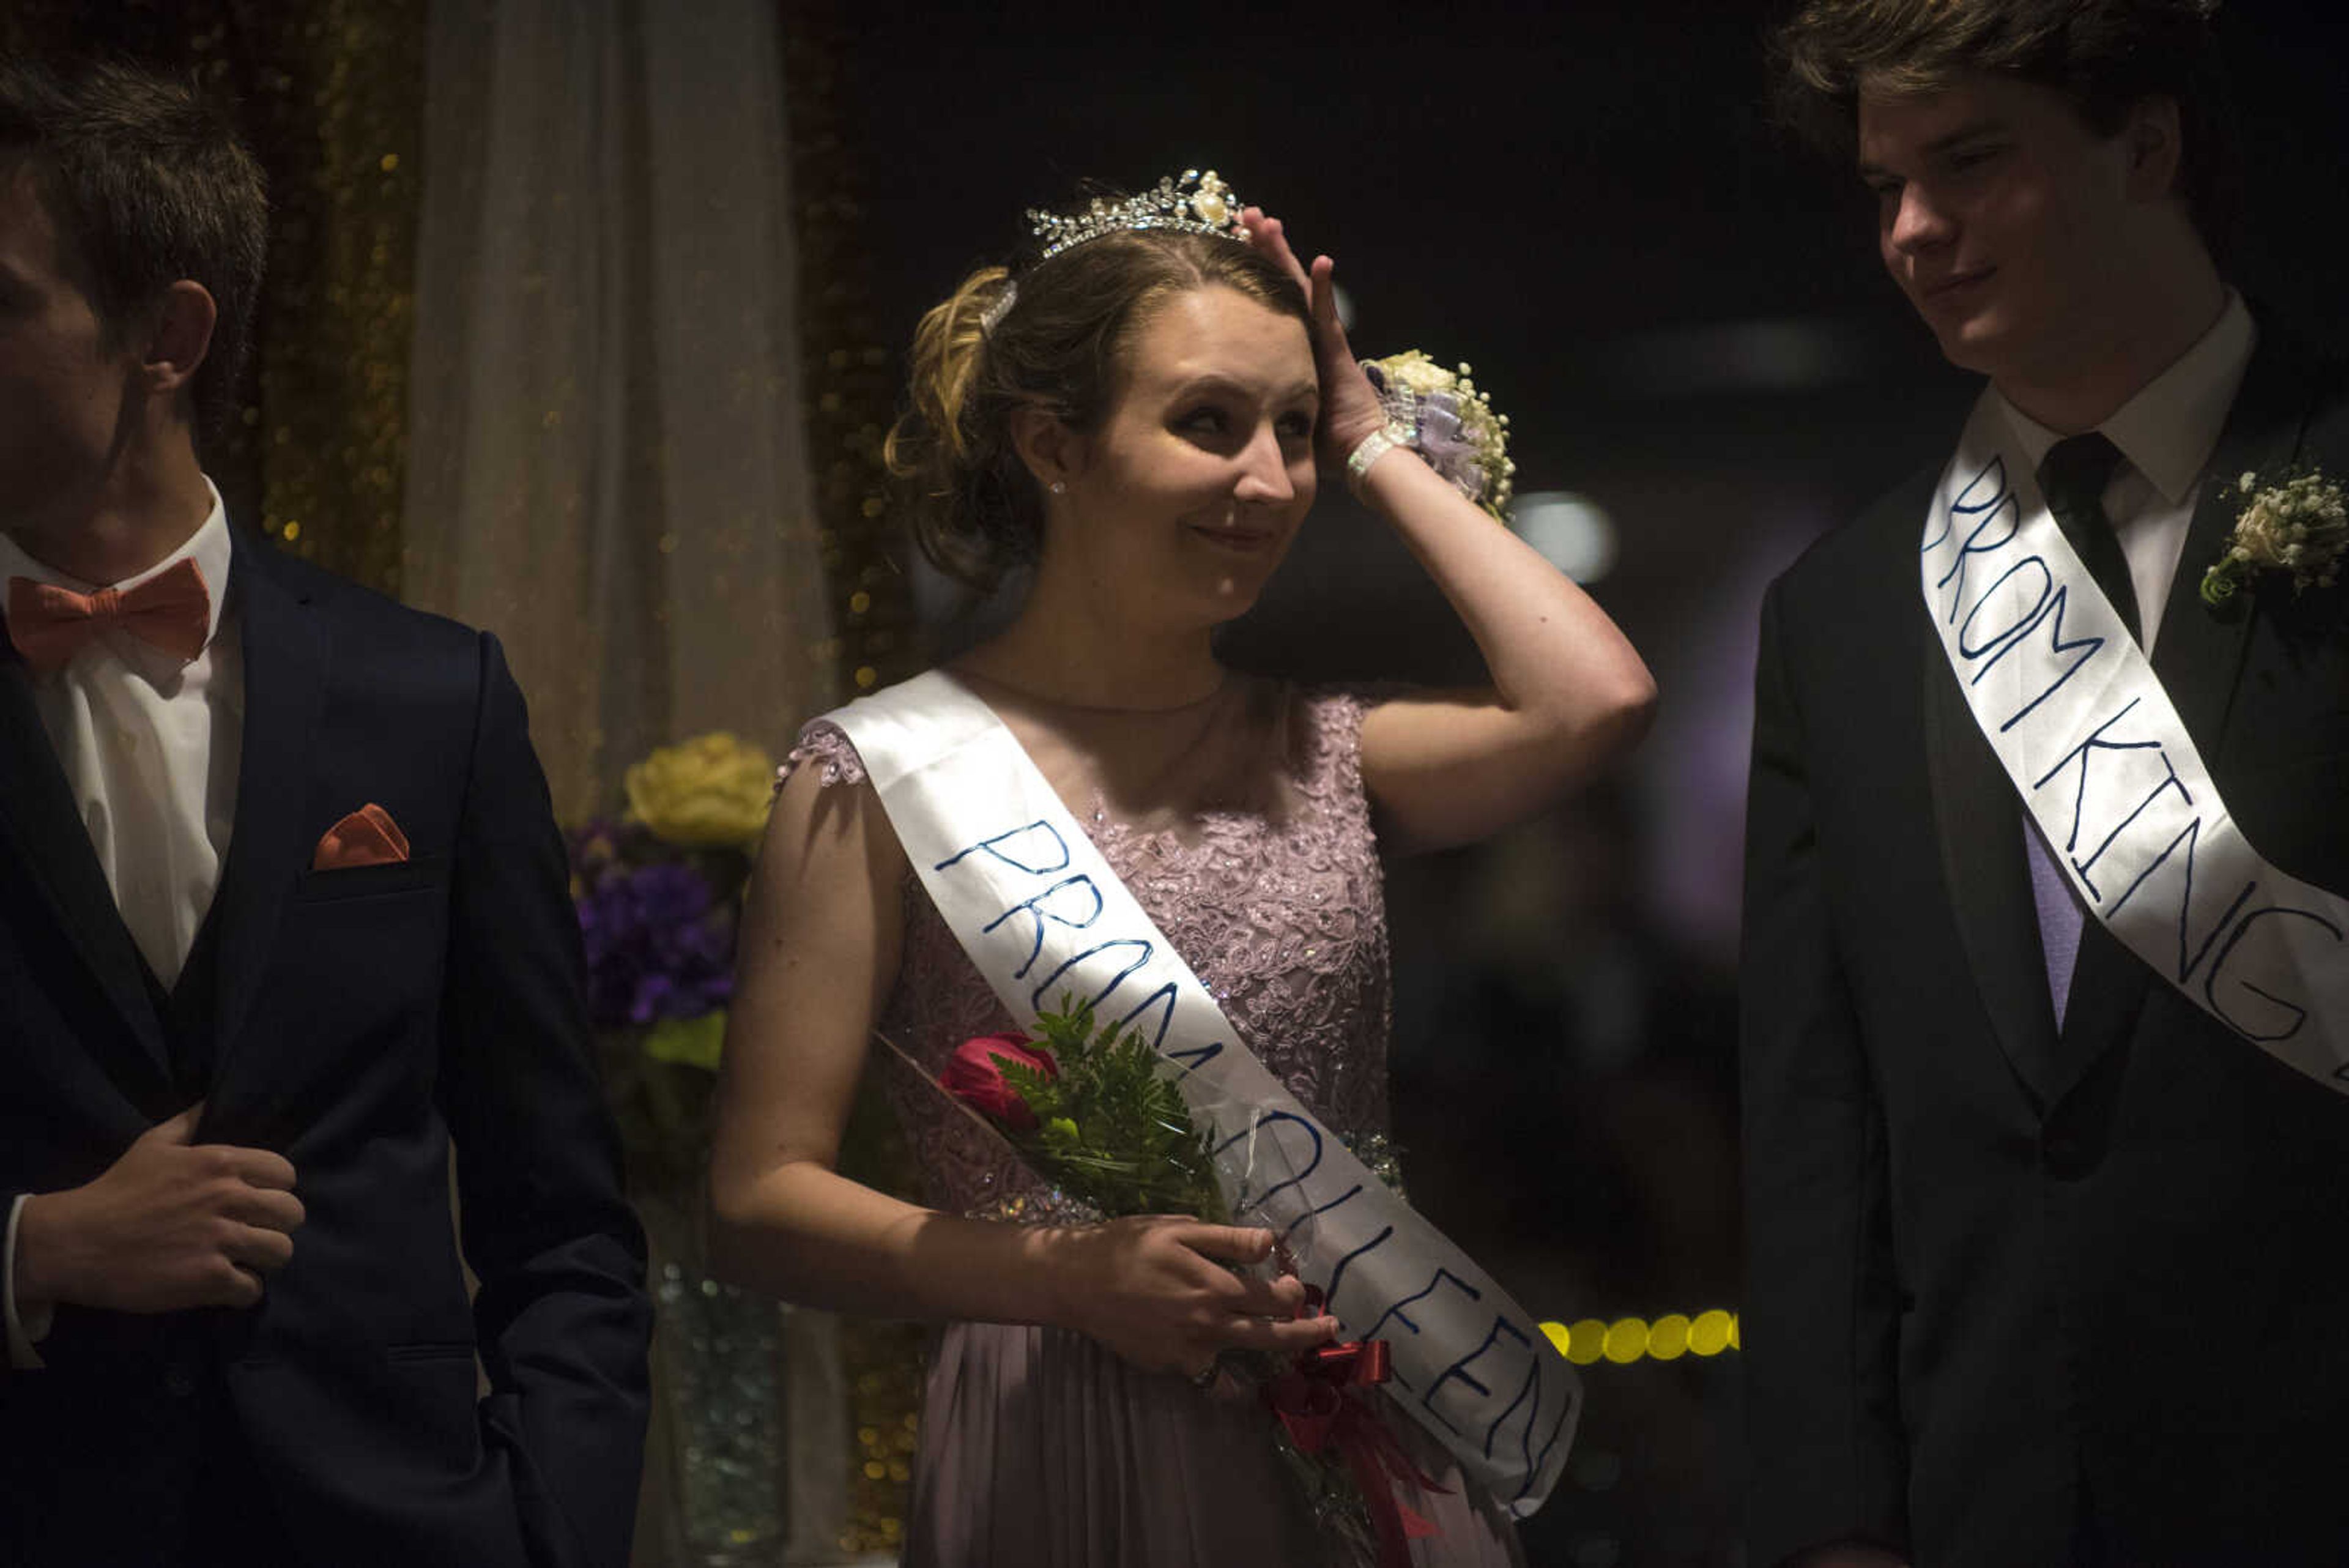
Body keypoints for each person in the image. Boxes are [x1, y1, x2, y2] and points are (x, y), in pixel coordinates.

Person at [707, 174, 1655, 1566]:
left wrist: (1375, 438)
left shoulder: (1329, 752)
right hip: (1059, 1418)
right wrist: (1071, 1275)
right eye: (1207, 424)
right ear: (1055, 444)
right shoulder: (879, 777)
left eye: (1292, 432)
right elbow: (756, 1201)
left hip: (1356, 1390)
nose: (1267, 482)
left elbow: (1598, 701)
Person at [0, 56, 651, 1566]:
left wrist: (549, 1531)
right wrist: (35, 1248)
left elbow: (559, 1212)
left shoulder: (438, 698)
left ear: (166, 335)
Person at [1743, 3, 2349, 1565]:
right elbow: (1820, 1123)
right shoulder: (1846, 607)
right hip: (1991, 1489)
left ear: (2146, 146)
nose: (1913, 232)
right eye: (1885, 188)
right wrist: (1832, 1523)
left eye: (1968, 163)